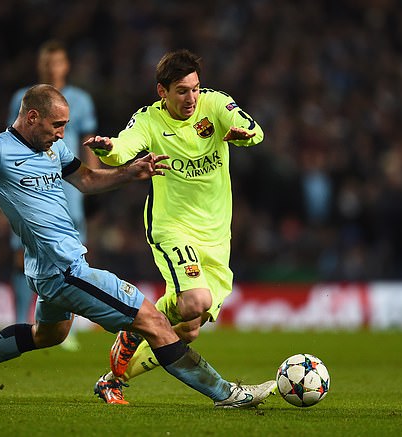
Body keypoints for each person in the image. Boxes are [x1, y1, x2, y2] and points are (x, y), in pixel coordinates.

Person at [0, 84, 276, 408]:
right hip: (66, 270)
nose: (61, 134)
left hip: (46, 269)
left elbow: (86, 180)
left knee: (49, 334)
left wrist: (130, 172)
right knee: (153, 321)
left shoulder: (52, 149)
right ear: (31, 117)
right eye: (56, 125)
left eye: (64, 126)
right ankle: (227, 393)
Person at [85, 50, 265, 404]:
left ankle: (112, 379)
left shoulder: (216, 106)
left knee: (189, 328)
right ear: (161, 92)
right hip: (172, 227)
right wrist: (108, 149)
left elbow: (255, 130)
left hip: (215, 233)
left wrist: (244, 135)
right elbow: (123, 149)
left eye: (195, 89)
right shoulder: (149, 120)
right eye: (182, 91)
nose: (191, 98)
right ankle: (139, 321)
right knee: (194, 301)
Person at [7, 41, 98, 351]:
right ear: (39, 65)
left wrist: (91, 183)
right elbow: (10, 144)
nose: (51, 67)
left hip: (70, 188)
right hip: (31, 188)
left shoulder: (81, 100)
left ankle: (64, 325)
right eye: (46, 62)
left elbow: (88, 142)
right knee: (22, 255)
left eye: (56, 62)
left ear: (66, 65)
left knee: (70, 259)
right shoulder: (23, 98)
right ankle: (21, 318)